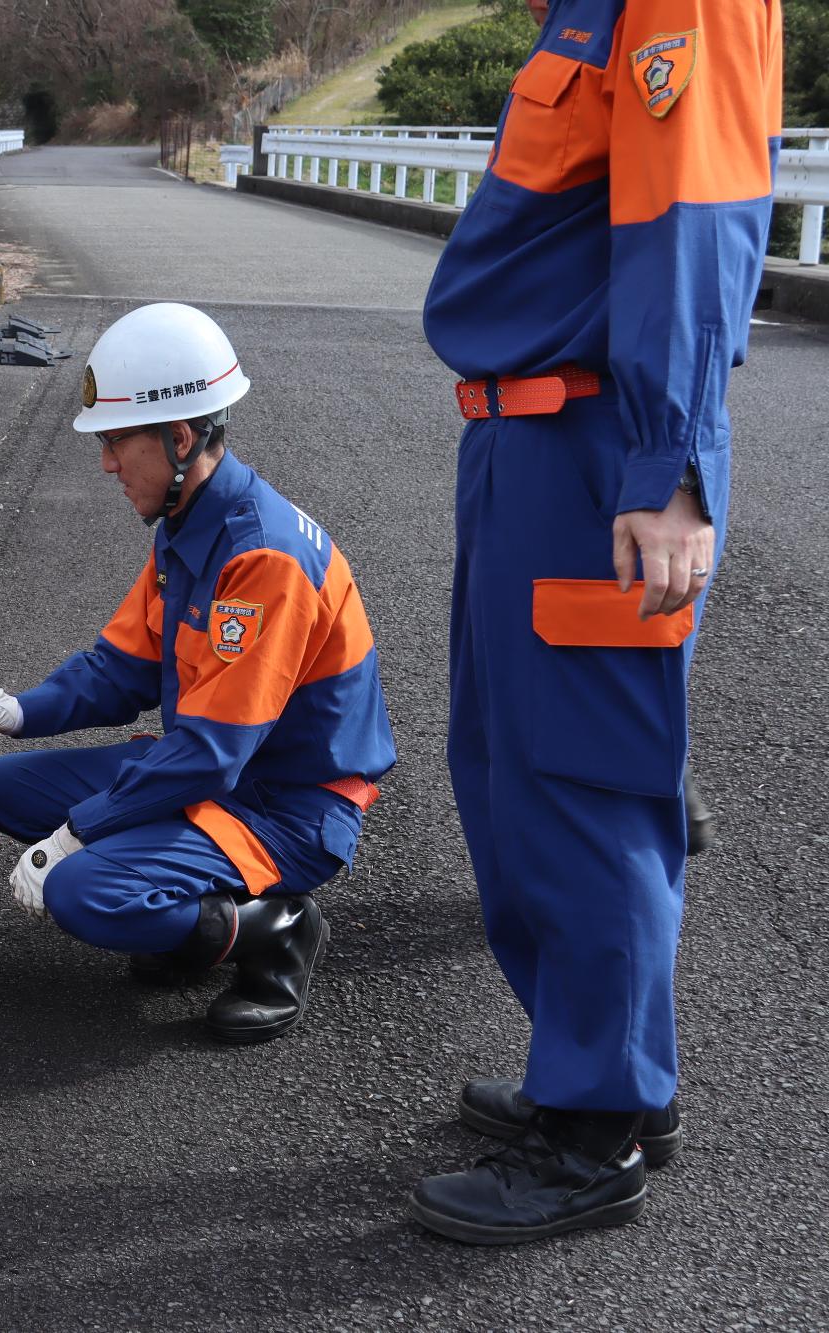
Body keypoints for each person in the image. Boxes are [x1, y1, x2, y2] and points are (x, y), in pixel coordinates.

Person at [413, 0, 782, 1242]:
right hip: (521, 442)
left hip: (597, 452)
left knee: (585, 786)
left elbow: (695, 229)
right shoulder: (589, 9)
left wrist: (666, 468)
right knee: (508, 775)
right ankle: (588, 1066)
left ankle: (598, 1126)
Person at [0, 303, 396, 1044]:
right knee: (8, 787)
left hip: (287, 807)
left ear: (180, 437)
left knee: (82, 889)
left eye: (116, 442)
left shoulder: (263, 558)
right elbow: (121, 668)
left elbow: (214, 749)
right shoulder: (188, 524)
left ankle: (275, 929)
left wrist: (78, 834)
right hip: (221, 774)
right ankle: (186, 921)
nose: (107, 463)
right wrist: (16, 707)